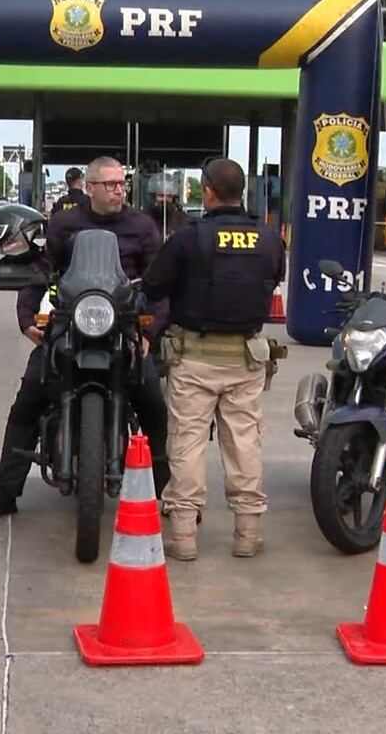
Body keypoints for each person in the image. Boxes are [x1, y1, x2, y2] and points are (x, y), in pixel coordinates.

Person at [0, 156, 173, 520]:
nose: (118, 190)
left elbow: (158, 284)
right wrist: (26, 318)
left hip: (124, 322)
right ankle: (5, 491)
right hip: (71, 318)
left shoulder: (142, 226)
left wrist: (148, 333)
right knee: (29, 398)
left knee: (154, 404)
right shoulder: (65, 223)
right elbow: (41, 267)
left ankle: (169, 493)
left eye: (121, 183)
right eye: (110, 184)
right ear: (90, 187)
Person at [141, 157, 285, 561]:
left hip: (195, 359)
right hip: (246, 359)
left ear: (206, 191)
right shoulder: (269, 238)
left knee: (187, 443)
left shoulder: (189, 238)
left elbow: (153, 286)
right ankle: (247, 533)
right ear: (243, 192)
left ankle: (184, 537)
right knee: (244, 444)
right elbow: (272, 279)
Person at [143, 173, 191, 239]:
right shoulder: (142, 220)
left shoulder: (182, 221)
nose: (165, 199)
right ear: (153, 197)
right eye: (161, 196)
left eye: (169, 196)